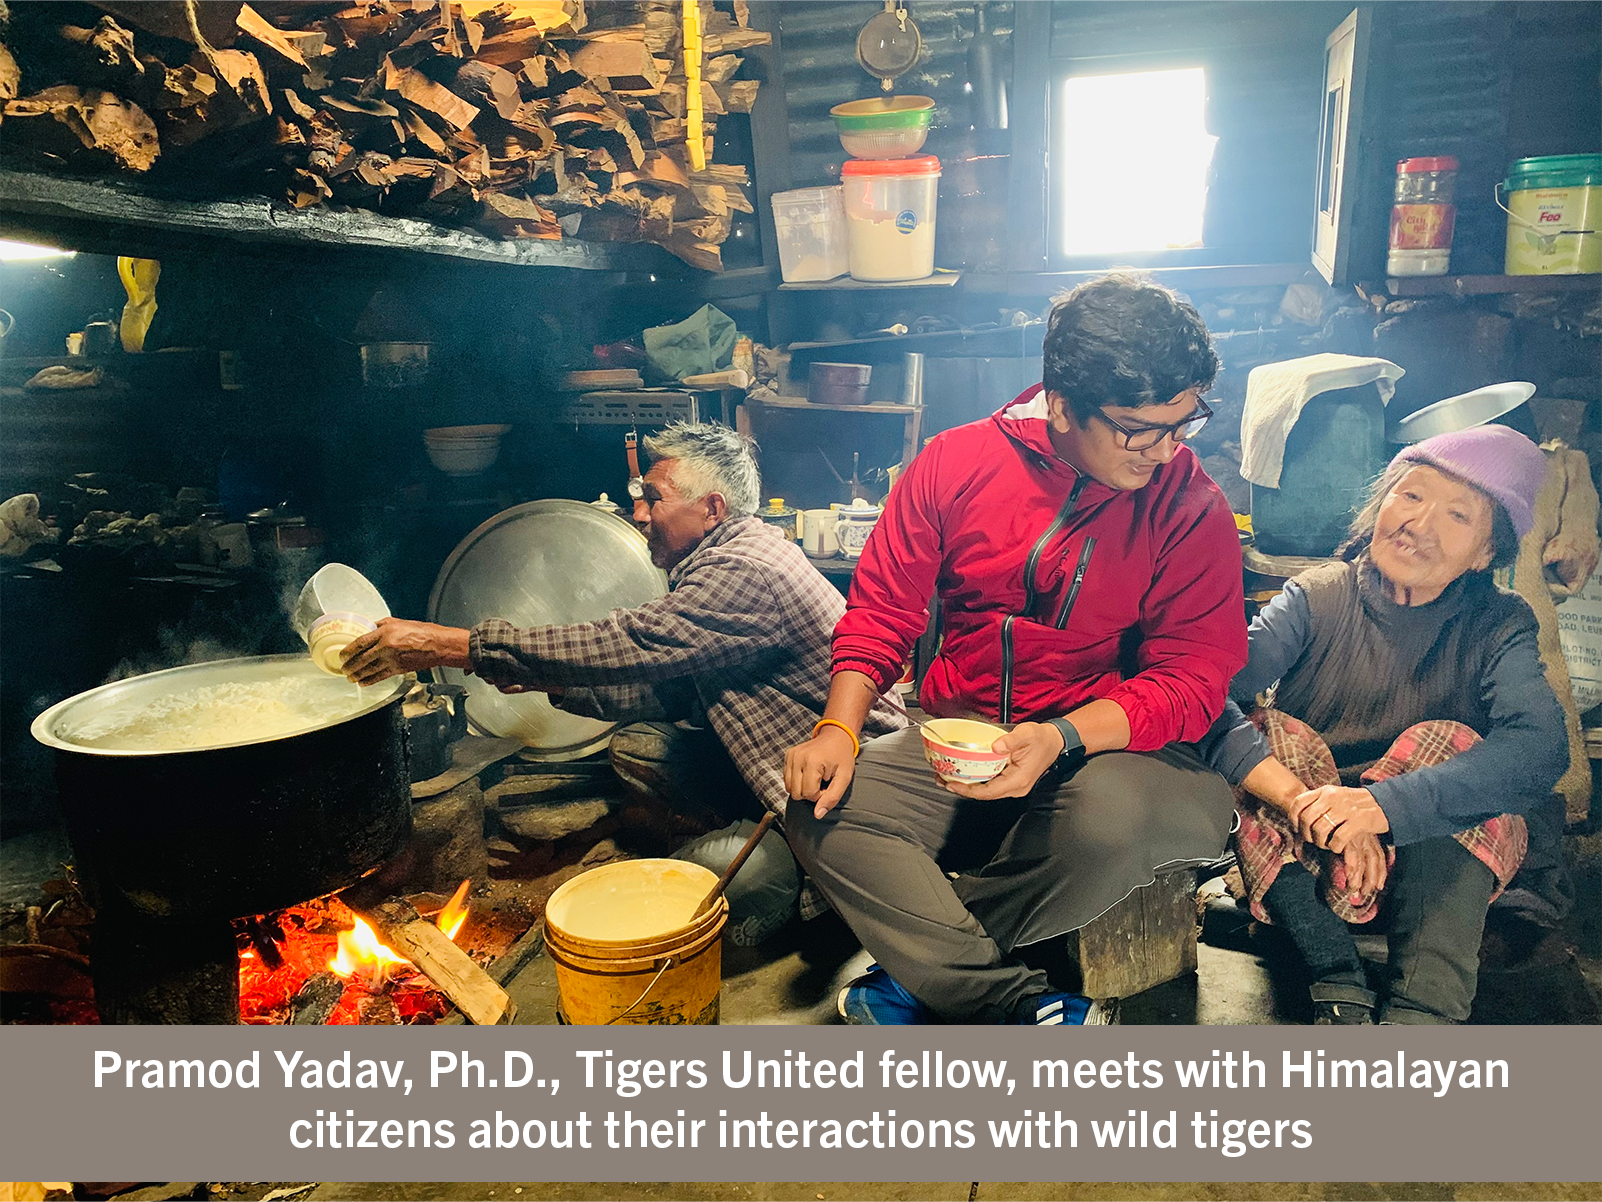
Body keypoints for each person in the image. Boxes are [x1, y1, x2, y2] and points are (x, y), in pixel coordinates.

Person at [783, 273, 1247, 1025]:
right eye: (1137, 428)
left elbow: (1194, 678)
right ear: (1061, 402)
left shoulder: (1191, 507)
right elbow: (883, 609)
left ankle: (917, 979)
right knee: (821, 810)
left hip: (1113, 755)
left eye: (1184, 423)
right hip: (967, 741)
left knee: (1107, 823)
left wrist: (1062, 737)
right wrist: (837, 727)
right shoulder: (954, 462)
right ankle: (1013, 1003)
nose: (1164, 452)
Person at [340, 422, 907, 946]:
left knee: (722, 888)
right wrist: (550, 683)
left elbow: (634, 641)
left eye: (652, 498)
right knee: (640, 745)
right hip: (786, 760)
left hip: (842, 785)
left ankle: (821, 889)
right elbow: (673, 690)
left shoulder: (746, 570)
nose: (639, 513)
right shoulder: (730, 555)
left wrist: (453, 645)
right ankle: (750, 833)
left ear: (712, 508)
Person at [1203, 424, 1566, 1025]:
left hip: (1433, 867)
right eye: (1411, 495)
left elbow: (1540, 749)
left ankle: (1421, 1011)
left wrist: (1379, 809)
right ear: (1382, 503)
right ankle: (1334, 975)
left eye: (1456, 514)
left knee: (1451, 744)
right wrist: (1322, 810)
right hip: (1309, 862)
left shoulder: (1500, 623)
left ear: (1484, 555)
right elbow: (1206, 698)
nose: (1418, 524)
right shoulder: (1318, 596)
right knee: (1264, 733)